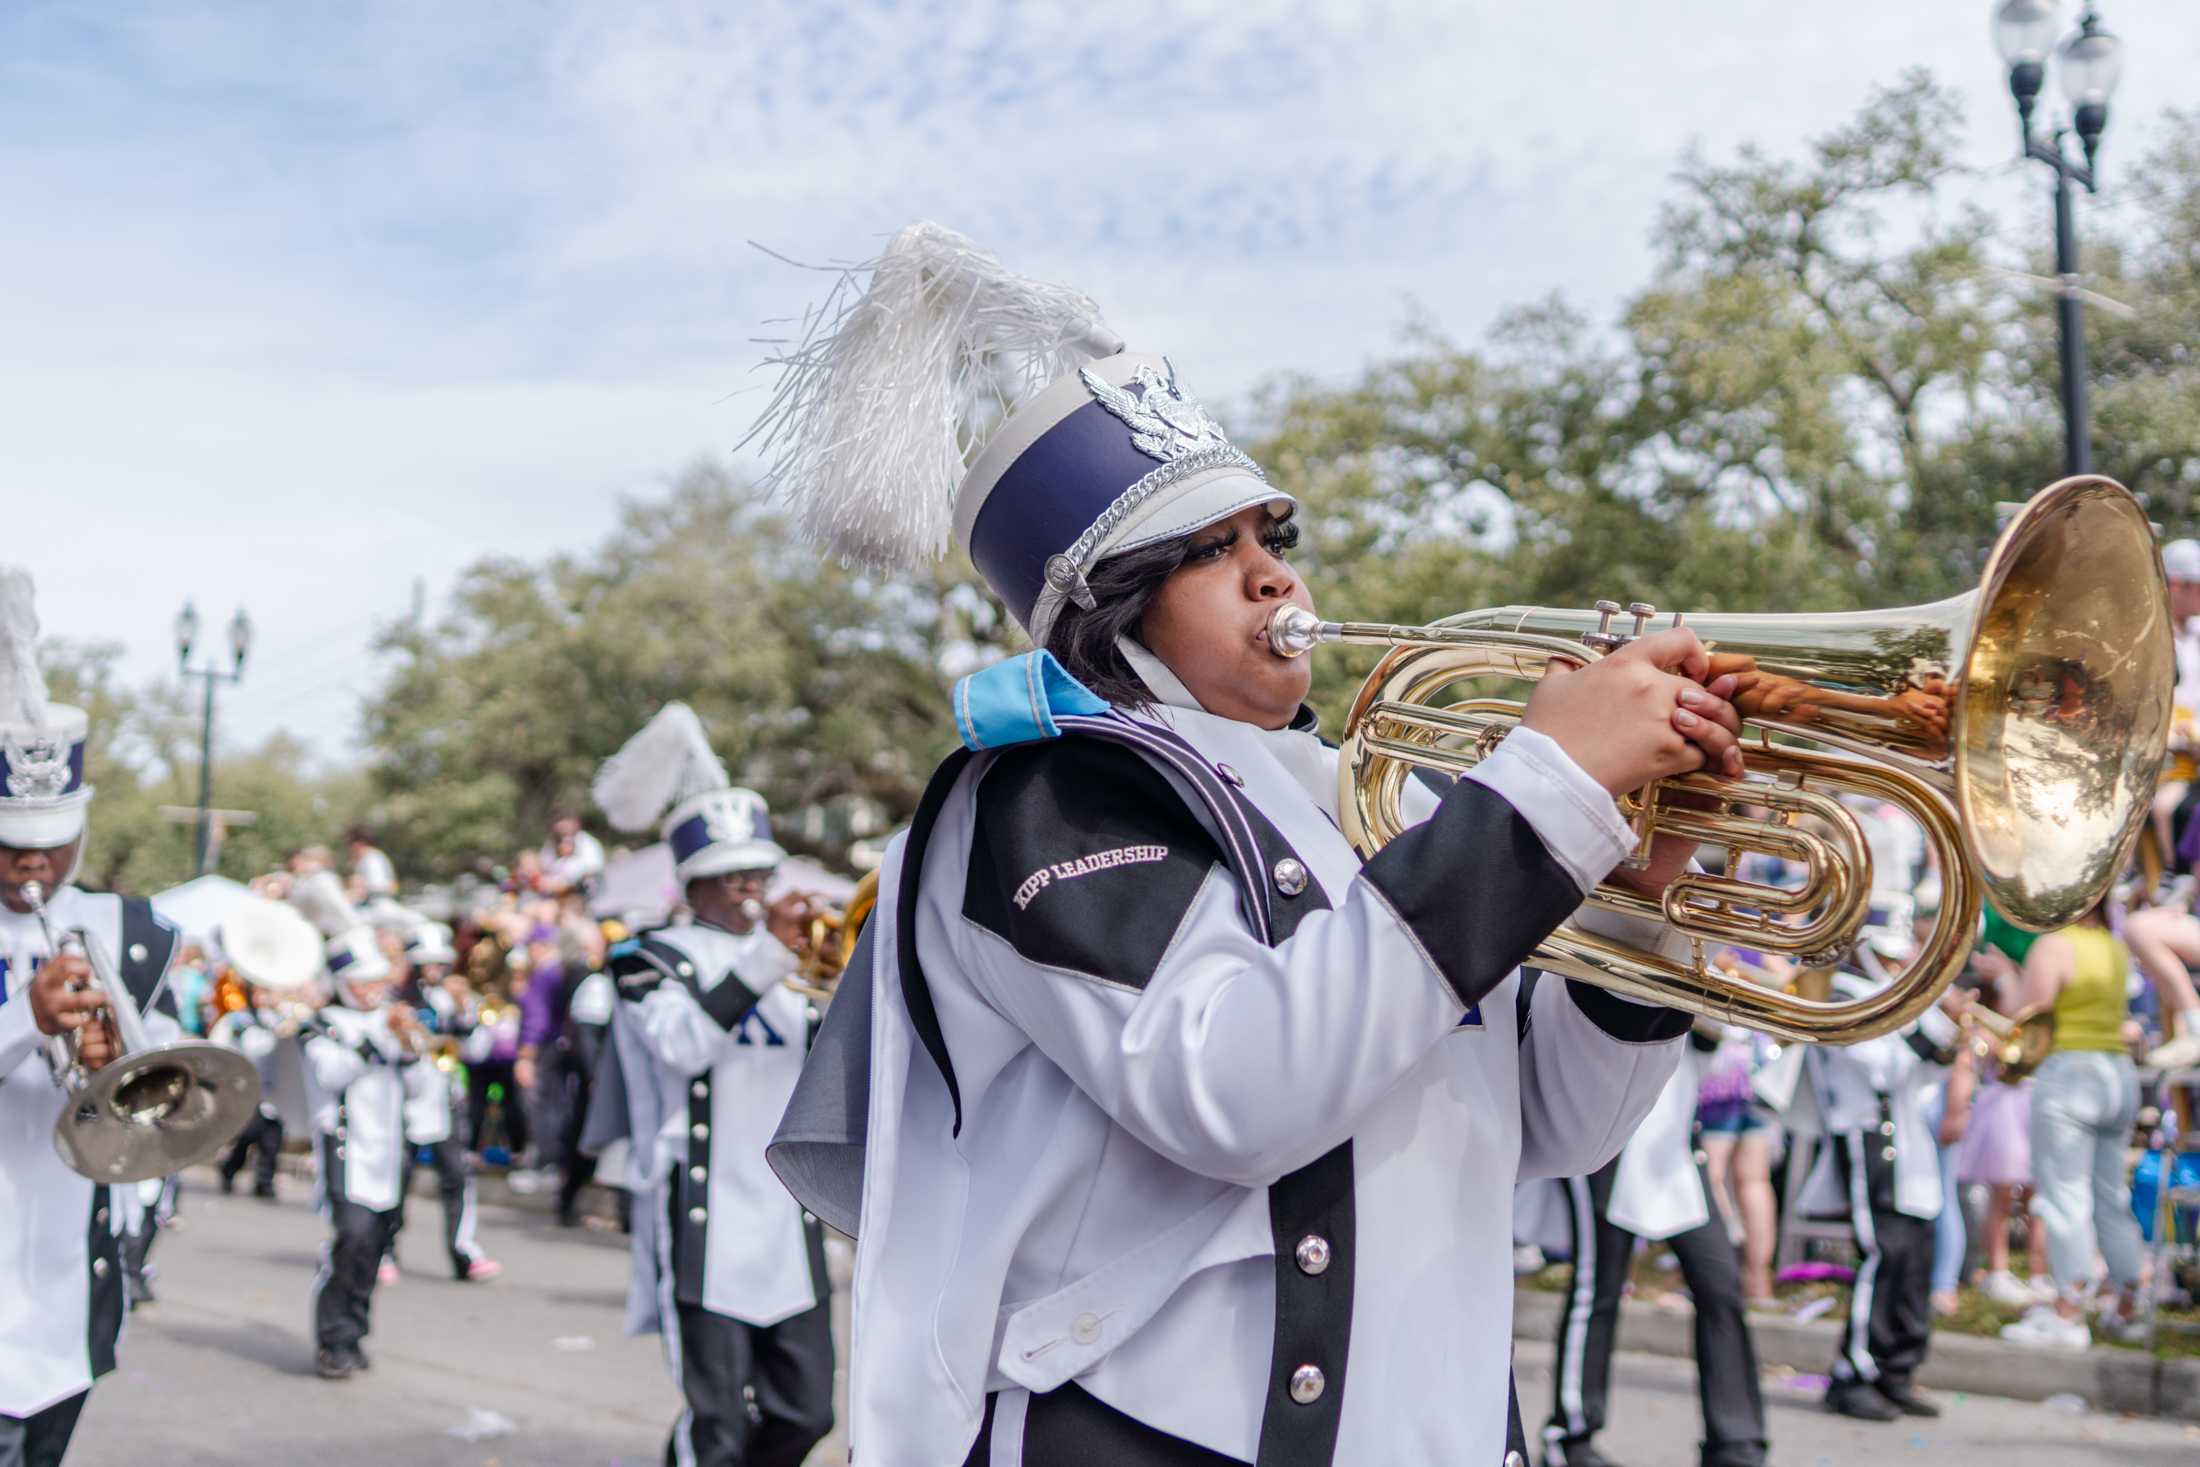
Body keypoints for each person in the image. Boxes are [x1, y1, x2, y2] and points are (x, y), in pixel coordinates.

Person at [757, 224, 1734, 1465]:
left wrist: (1627, 903)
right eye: (1211, 553)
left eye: (1273, 539)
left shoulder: (1387, 806)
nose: (1273, 578)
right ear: (1115, 613)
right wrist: (1540, 795)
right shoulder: (1051, 794)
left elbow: (1548, 1129)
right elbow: (1231, 1095)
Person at [594, 706, 835, 1467]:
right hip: (702, 1213)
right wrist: (770, 957)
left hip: (788, 1219)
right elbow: (682, 1045)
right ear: (695, 881)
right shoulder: (647, 956)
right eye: (733, 877)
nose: (752, 890)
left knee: (807, 1414)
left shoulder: (798, 964)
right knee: (720, 1427)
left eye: (759, 873)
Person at [0, 564, 185, 1463]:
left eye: (50, 846)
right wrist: (24, 1020)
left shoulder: (136, 932)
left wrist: (120, 1057)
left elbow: (183, 1079)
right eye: (10, 847)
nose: (31, 869)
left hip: (73, 1285)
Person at [1542, 1029, 1770, 1467]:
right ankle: (1571, 1436)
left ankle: (1736, 1442)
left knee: (1722, 1286)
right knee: (1597, 1289)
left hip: (1677, 1149)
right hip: (1605, 1137)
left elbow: (1715, 1049)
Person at [1796, 941, 1963, 1422]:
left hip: (1909, 1141)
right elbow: (1883, 1067)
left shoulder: (1894, 1000)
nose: (1901, 967)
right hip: (1868, 1135)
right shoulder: (1842, 993)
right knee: (1882, 1254)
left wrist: (1943, 1021)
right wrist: (1928, 1016)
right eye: (1893, 958)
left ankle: (1897, 1370)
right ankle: (1853, 1374)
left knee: (1915, 1257)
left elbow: (1931, 1070)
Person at [1999, 900, 2148, 1349]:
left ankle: (2067, 1312)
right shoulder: (2114, 947)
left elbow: (2028, 1020)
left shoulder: (2055, 945)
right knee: (2109, 1196)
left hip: (2070, 1075)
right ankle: (2128, 1304)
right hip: (2118, 1075)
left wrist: (2007, 977)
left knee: (2065, 1195)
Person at [305, 924, 439, 1380]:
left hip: (390, 1149)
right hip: (347, 1149)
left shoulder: (392, 1020)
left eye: (378, 982)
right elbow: (330, 1074)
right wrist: (381, 1039)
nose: (373, 992)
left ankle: (355, 1331)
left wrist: (410, 1048)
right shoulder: (322, 1024)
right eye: (364, 983)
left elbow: (422, 1087)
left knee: (377, 1245)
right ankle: (333, 1336)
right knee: (352, 1239)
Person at [381, 926, 500, 1284]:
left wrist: (468, 1015)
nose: (434, 970)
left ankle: (463, 1251)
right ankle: (383, 1248)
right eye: (427, 964)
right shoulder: (394, 1001)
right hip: (403, 1100)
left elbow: (476, 1051)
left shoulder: (450, 1000)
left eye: (440, 964)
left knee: (457, 1175)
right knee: (396, 1180)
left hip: (444, 1099)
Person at [211, 983, 287, 1198]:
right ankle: (230, 1168)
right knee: (248, 1134)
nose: (263, 998)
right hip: (244, 1091)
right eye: (260, 992)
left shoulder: (279, 1019)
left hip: (271, 1093)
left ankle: (265, 1182)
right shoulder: (237, 1020)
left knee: (272, 1136)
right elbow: (220, 1049)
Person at [541, 814, 605, 898]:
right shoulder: (550, 845)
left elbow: (593, 867)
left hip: (582, 889)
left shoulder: (585, 841)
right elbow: (545, 866)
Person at [347, 826, 398, 900]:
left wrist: (360, 885)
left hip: (380, 905)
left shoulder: (372, 859)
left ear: (359, 844)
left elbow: (380, 886)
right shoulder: (364, 859)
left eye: (349, 843)